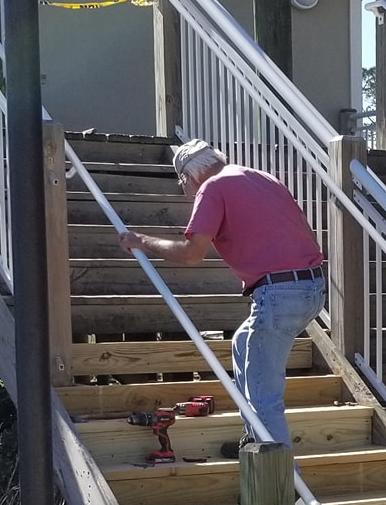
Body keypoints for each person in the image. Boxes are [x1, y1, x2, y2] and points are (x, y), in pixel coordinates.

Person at [117, 140, 325, 451]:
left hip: (278, 293)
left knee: (263, 397)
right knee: (242, 342)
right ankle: (255, 441)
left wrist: (141, 241)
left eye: (183, 185)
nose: (186, 192)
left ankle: (283, 483)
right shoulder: (263, 178)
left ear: (189, 177)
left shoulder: (212, 187)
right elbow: (305, 235)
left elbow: (192, 253)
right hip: (312, 287)